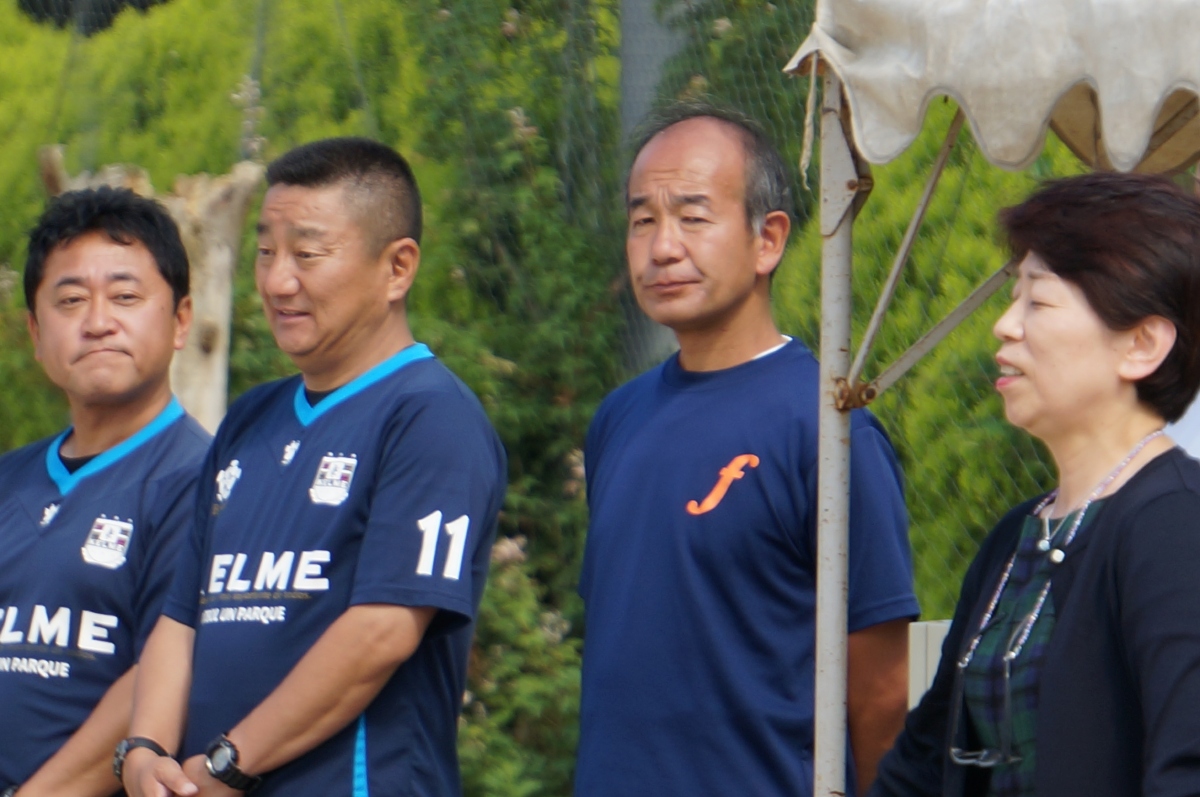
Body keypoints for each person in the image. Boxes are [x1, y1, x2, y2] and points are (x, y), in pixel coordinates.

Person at [119, 138, 506, 797]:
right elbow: (182, 618)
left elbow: (382, 632)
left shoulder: (430, 415)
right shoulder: (249, 419)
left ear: (398, 268)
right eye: (266, 252)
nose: (277, 281)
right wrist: (144, 752)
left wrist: (229, 762)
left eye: (307, 253)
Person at [575, 103, 919, 797]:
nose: (662, 247)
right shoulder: (619, 418)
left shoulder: (828, 429)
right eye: (642, 220)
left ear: (768, 239)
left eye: (693, 216)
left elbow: (881, 688)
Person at [871, 172, 1200, 797]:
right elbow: (922, 763)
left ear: (1141, 344)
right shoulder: (1015, 536)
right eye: (1012, 297)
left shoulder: (1176, 525)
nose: (1004, 325)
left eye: (1038, 302)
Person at [0, 187, 210, 797]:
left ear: (180, 320)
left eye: (125, 297)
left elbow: (161, 673)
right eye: (70, 301)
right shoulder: (10, 480)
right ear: (36, 331)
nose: (97, 322)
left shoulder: (204, 481)